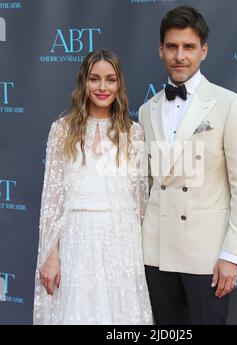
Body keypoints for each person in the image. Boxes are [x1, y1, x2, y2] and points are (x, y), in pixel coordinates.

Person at [139, 6, 237, 325]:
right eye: (172, 46)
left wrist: (232, 255)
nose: (180, 55)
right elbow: (150, 182)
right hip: (155, 251)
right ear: (161, 49)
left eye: (189, 47)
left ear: (203, 51)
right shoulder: (146, 110)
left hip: (205, 255)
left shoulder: (230, 105)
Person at [33, 49, 153, 325]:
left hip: (122, 241)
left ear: (119, 84)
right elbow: (52, 199)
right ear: (83, 83)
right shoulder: (62, 130)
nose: (102, 87)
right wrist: (50, 254)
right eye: (94, 79)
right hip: (78, 239)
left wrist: (141, 256)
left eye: (110, 80)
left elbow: (140, 198)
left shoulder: (133, 132)